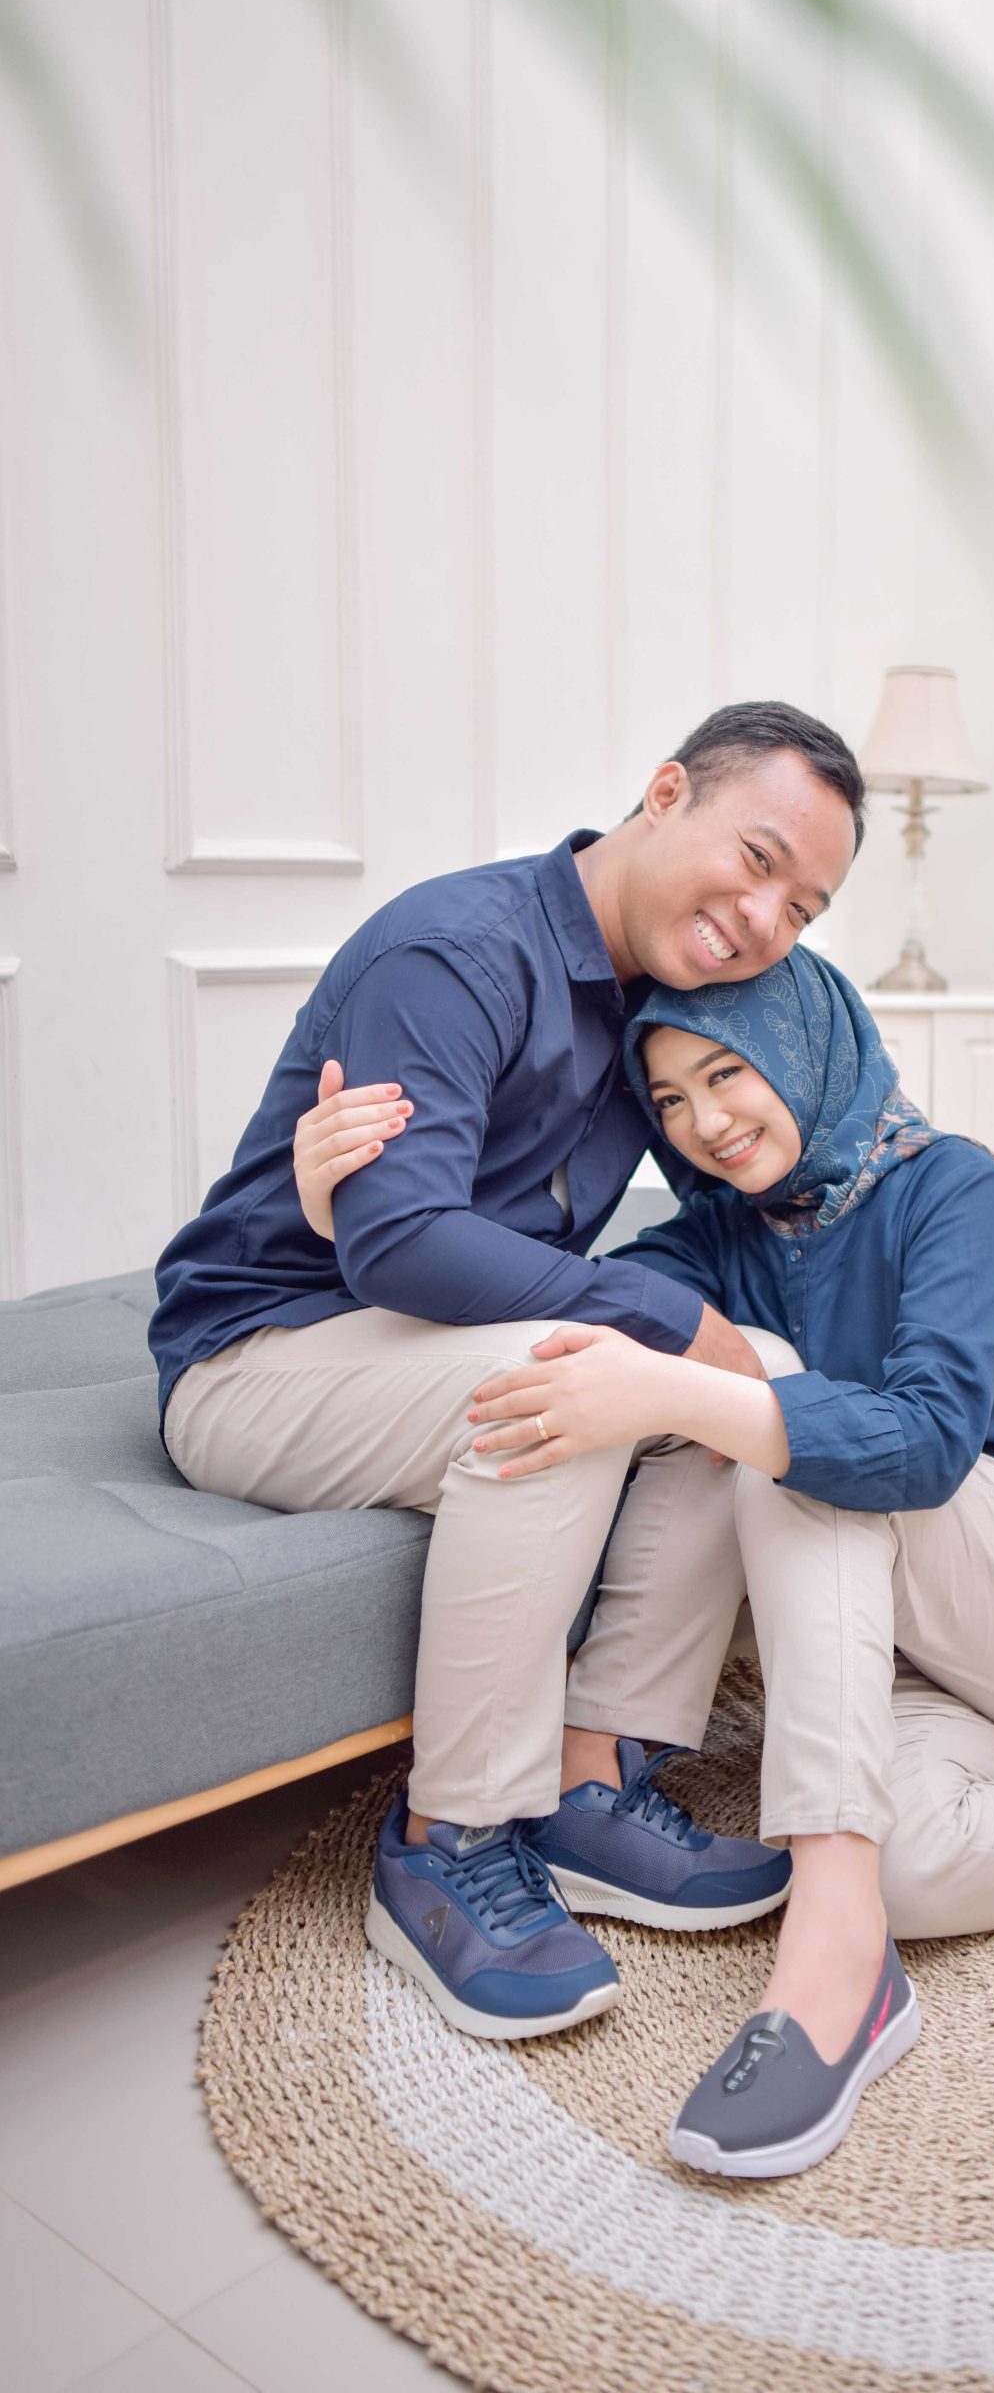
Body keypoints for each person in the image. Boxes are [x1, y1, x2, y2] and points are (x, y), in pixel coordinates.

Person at [309, 944, 994, 2175]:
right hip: (924, 1657)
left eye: (727, 1073)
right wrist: (341, 1212)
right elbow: (548, 1302)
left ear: (802, 1046)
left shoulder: (955, 1188)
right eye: (670, 1099)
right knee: (920, 1872)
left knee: (785, 1423)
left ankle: (832, 1967)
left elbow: (928, 1445)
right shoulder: (712, 1240)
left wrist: (696, 1390)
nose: (705, 1122)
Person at [149, 702, 863, 2042]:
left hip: (415, 1351)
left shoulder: (663, 1005)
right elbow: (399, 1241)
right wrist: (653, 1312)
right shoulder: (456, 953)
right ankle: (449, 1836)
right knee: (577, 1376)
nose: (767, 920)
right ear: (666, 792)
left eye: (803, 908)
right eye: (759, 860)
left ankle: (588, 1784)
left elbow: (773, 1175)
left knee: (747, 1372)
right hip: (261, 1357)